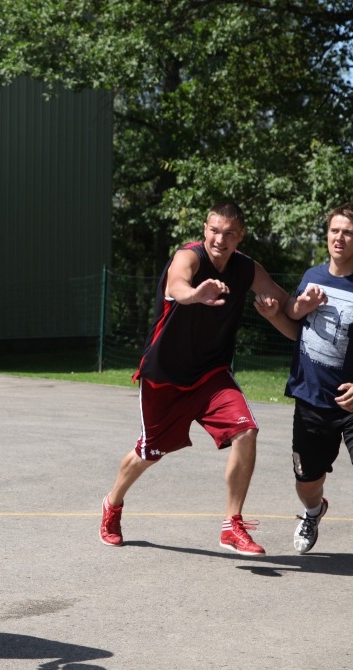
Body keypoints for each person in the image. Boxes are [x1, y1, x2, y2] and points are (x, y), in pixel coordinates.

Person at [100, 201, 321, 555]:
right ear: (205, 229)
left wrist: (302, 305)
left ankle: (232, 525)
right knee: (149, 452)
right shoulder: (188, 257)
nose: (221, 238)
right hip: (165, 375)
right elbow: (177, 285)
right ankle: (112, 505)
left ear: (240, 236)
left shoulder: (246, 268)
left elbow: (284, 304)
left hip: (210, 373)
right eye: (215, 230)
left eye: (230, 233)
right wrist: (195, 294)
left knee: (246, 431)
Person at [253, 203, 353, 586]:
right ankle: (313, 512)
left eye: (348, 233)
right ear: (327, 234)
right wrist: (275, 315)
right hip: (311, 399)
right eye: (334, 231)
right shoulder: (312, 277)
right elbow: (301, 335)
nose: (339, 238)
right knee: (307, 483)